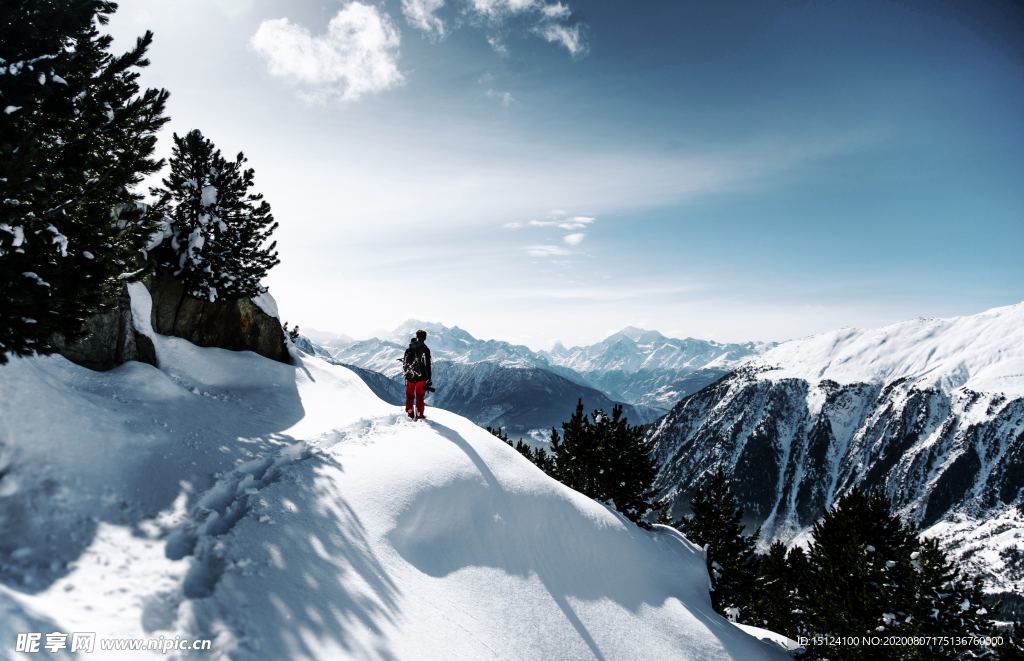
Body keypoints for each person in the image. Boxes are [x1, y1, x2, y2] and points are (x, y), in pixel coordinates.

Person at [402, 329, 432, 420]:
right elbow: (428, 365)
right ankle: (419, 414)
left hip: (410, 376)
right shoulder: (426, 349)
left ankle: (410, 413)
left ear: (416, 336)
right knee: (419, 396)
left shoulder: (409, 348)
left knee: (409, 395)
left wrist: (407, 373)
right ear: (425, 338)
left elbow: (404, 364)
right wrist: (429, 378)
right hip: (421, 377)